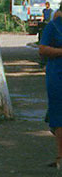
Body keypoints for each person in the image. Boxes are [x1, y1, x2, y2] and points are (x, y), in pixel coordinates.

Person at [38, 9, 62, 167]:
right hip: (58, 76)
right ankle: (61, 157)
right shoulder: (54, 26)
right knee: (59, 115)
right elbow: (43, 49)